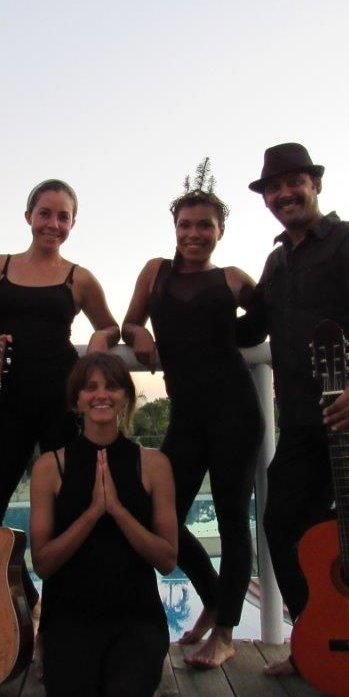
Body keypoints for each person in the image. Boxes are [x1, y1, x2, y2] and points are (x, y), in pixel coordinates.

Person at [237, 142, 349, 677]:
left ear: (315, 185)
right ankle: (316, 639)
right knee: (284, 520)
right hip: (305, 417)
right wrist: (204, 297)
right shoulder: (277, 262)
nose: (284, 193)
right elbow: (251, 329)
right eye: (274, 187)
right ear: (266, 198)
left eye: (294, 182)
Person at [122, 181, 263, 669]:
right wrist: (138, 334)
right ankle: (215, 599)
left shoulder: (233, 279)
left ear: (220, 231)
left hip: (235, 411)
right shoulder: (155, 272)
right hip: (186, 415)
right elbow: (130, 321)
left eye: (206, 225)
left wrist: (227, 332)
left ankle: (224, 634)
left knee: (232, 519)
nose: (194, 233)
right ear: (175, 228)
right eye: (186, 225)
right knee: (160, 516)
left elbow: (265, 321)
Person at [0, 179, 119, 609]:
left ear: (73, 224)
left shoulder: (79, 278)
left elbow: (108, 325)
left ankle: (65, 611)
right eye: (45, 213)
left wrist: (98, 344)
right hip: (8, 403)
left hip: (61, 402)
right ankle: (25, 598)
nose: (52, 224)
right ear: (28, 217)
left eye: (63, 216)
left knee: (68, 507)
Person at [30, 353, 177, 697]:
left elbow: (167, 559)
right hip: (71, 616)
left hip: (135, 617)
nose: (101, 395)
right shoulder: (50, 467)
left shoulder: (154, 464)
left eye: (111, 386)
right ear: (76, 400)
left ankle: (142, 676)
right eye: (90, 387)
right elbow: (43, 563)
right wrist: (93, 512)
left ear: (125, 396)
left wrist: (119, 512)